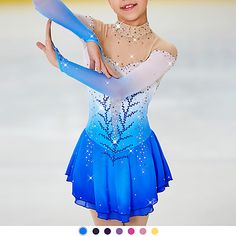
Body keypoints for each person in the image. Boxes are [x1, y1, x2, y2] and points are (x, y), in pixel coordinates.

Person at [33, 0, 178, 226]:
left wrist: (63, 64)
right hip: (96, 149)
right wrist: (89, 38)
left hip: (135, 153)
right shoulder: (96, 30)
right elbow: (41, 3)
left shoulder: (162, 49)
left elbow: (120, 89)